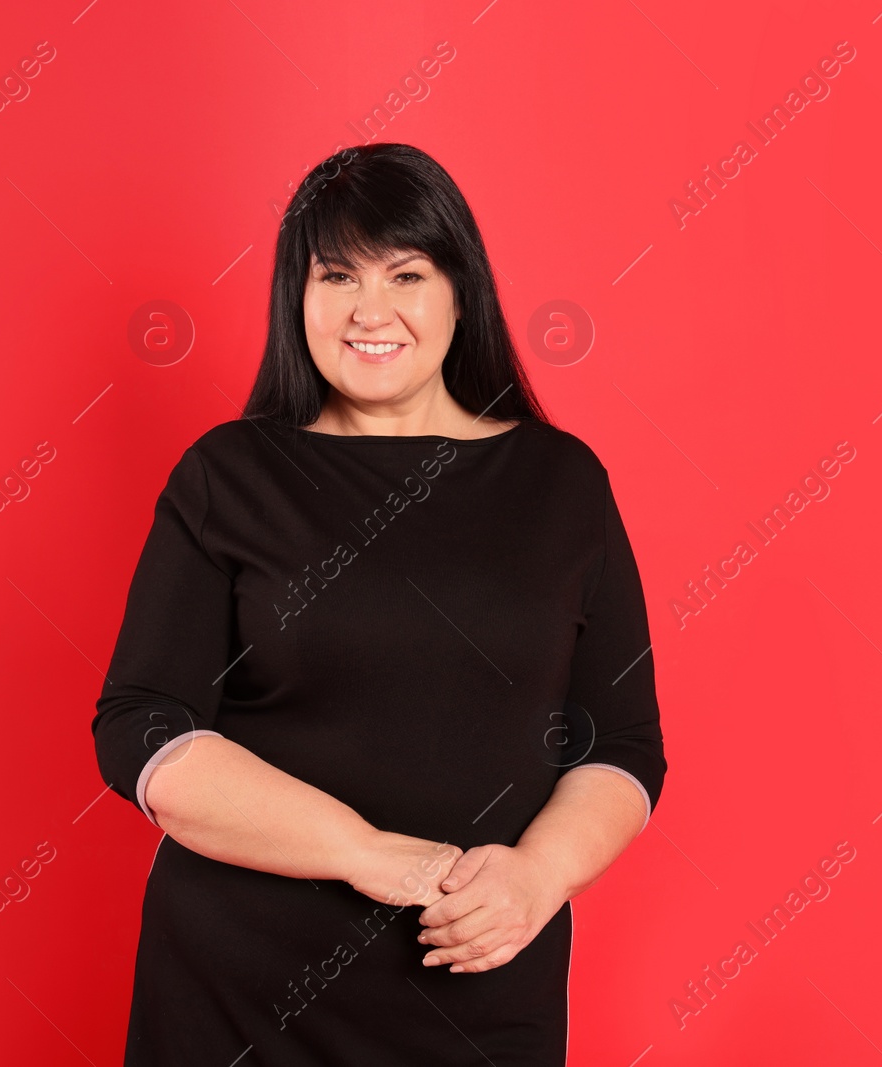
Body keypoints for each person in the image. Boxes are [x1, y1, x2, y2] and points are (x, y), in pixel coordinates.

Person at [92, 142, 667, 1066]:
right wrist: (368, 852)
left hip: (480, 973)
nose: (371, 310)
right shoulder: (228, 476)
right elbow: (142, 726)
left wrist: (539, 875)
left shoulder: (561, 483)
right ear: (297, 297)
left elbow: (623, 744)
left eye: (406, 273)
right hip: (238, 994)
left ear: (460, 291)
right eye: (336, 275)